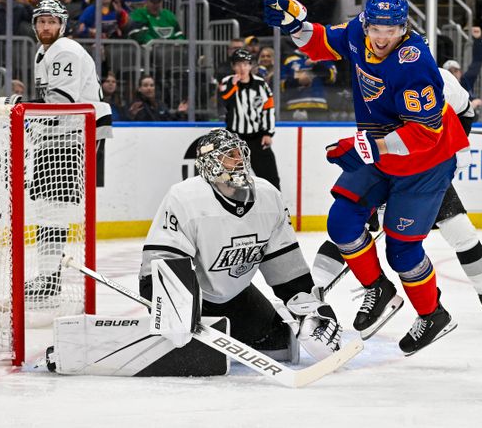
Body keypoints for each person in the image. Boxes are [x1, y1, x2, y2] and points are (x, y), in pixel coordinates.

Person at [264, 0, 469, 355]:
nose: (382, 37)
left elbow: (424, 134)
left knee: (402, 252)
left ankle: (432, 313)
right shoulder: (361, 30)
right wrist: (295, 23)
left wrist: (365, 148)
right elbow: (324, 43)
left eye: (391, 30)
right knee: (341, 221)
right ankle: (379, 289)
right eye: (376, 27)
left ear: (403, 27)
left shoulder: (414, 62)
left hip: (425, 160)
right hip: (381, 149)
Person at [311, 66, 482, 326]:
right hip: (385, 168)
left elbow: (465, 114)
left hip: (427, 173)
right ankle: (316, 288)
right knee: (348, 225)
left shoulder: (443, 80)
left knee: (461, 232)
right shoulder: (376, 74)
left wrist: (449, 151)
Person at [138, 129, 341, 363]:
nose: (239, 161)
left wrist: (308, 310)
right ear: (210, 163)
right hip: (190, 297)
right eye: (229, 155)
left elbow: (284, 265)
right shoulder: (185, 197)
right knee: (188, 353)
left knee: (279, 344)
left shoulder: (268, 196)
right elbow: (162, 260)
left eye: (240, 153)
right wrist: (174, 308)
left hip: (234, 295)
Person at [21, 0, 113, 300]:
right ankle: (49, 276)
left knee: (54, 207)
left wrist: (18, 106)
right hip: (58, 133)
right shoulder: (44, 51)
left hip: (72, 134)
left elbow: (61, 102)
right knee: (48, 206)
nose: (45, 27)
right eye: (41, 21)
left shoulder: (65, 50)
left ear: (62, 25)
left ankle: (50, 280)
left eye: (51, 22)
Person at [218, 48, 281, 190]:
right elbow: (224, 101)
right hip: (235, 140)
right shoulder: (227, 82)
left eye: (246, 64)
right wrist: (233, 86)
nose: (242, 68)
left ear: (251, 66)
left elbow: (268, 109)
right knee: (231, 180)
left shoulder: (260, 84)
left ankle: (275, 208)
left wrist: (268, 133)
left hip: (257, 138)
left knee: (271, 178)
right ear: (233, 66)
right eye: (239, 64)